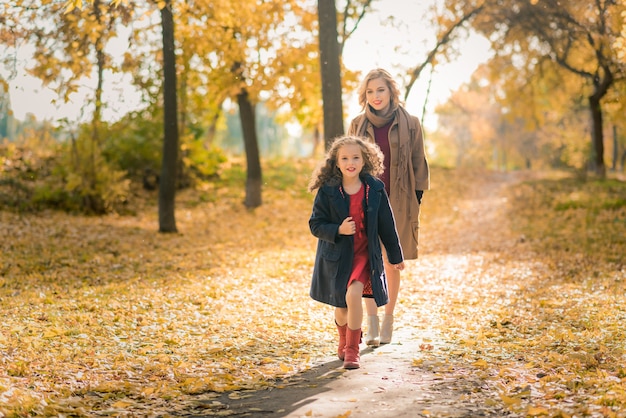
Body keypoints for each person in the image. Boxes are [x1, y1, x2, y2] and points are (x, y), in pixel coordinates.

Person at [348, 68, 430, 346]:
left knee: (392, 262)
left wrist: (415, 201)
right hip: (365, 201)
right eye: (370, 91)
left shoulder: (411, 123)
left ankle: (388, 320)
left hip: (399, 200)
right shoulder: (357, 125)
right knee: (368, 261)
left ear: (391, 91)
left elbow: (419, 163)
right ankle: (370, 323)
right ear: (364, 95)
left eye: (380, 90)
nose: (375, 96)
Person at [308, 135, 405, 369]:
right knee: (341, 309)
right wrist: (338, 229)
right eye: (344, 158)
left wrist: (395, 256)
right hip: (337, 258)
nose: (350, 162)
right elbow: (315, 224)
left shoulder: (375, 189)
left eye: (355, 157)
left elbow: (387, 226)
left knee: (354, 296)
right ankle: (344, 338)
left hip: (364, 255)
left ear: (364, 160)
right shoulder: (328, 191)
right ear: (336, 162)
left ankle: (353, 351)